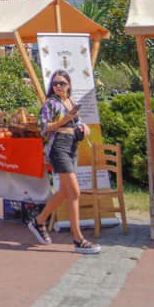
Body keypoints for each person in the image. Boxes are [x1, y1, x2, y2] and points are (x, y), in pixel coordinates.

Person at [28, 69, 100, 255]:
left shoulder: (72, 102)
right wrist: (64, 121)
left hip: (72, 146)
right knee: (74, 192)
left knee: (65, 192)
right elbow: (42, 127)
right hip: (58, 147)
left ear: (69, 85)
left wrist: (84, 129)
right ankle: (78, 238)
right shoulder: (51, 103)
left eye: (62, 83)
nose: (58, 86)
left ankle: (39, 221)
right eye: (55, 84)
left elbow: (78, 123)